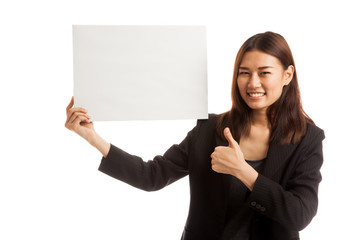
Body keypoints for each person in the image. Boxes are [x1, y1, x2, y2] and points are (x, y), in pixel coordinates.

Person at [65, 31, 325, 240]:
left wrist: (243, 171)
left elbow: (300, 214)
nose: (253, 83)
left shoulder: (307, 138)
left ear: (287, 75)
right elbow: (152, 176)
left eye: (264, 72)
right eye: (244, 73)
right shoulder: (210, 128)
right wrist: (92, 137)